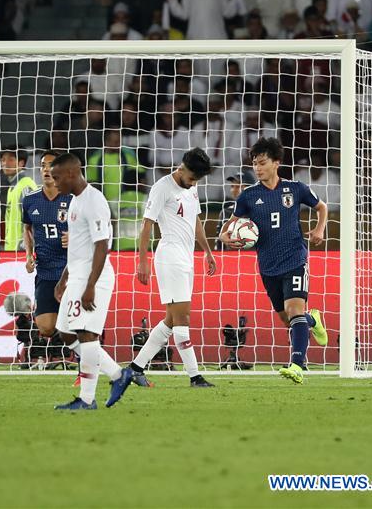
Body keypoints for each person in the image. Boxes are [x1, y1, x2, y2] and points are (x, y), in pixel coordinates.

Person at [219, 137, 329, 384]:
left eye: (262, 163)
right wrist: (226, 237)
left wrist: (320, 230)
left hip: (295, 259)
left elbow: (321, 207)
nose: (257, 168)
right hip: (268, 265)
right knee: (287, 318)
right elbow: (227, 229)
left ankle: (297, 365)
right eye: (255, 164)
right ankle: (314, 319)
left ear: (276, 163)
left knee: (293, 311)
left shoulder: (295, 188)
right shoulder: (248, 196)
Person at [123, 148, 217, 392]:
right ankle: (195, 376)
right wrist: (142, 261)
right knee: (182, 319)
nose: (194, 183)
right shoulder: (162, 187)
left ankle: (135, 368)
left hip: (187, 258)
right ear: (182, 168)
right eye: (192, 178)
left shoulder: (191, 187)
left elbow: (195, 221)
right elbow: (147, 225)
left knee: (170, 320)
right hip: (169, 256)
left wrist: (206, 251)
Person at [49, 153, 130, 410]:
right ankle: (118, 374)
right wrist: (64, 278)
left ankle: (86, 399)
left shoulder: (94, 201)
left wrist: (91, 285)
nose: (55, 183)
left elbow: (101, 246)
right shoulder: (74, 201)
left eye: (57, 177)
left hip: (94, 275)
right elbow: (79, 247)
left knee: (87, 334)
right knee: (64, 331)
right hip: (77, 274)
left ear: (72, 174)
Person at [22, 151, 70, 340]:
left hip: (71, 270)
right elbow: (27, 229)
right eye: (43, 165)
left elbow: (89, 230)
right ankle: (61, 340)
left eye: (51, 164)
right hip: (45, 271)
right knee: (46, 328)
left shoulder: (72, 198)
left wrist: (74, 237)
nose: (46, 169)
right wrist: (28, 255)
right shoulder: (30, 200)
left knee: (74, 324)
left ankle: (77, 342)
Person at [1, 148, 38, 251]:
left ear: (21, 163)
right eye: (3, 160)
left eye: (11, 160)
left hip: (21, 252)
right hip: (11, 250)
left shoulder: (26, 186)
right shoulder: (12, 188)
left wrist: (24, 246)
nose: (5, 163)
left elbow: (33, 218)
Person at [215, 169, 255, 251]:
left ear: (249, 188)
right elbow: (219, 242)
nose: (233, 190)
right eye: (232, 186)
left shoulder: (259, 210)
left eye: (238, 186)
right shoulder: (226, 212)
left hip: (255, 257)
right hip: (231, 258)